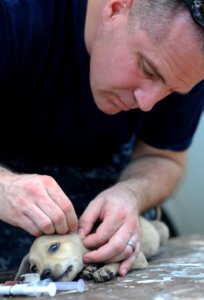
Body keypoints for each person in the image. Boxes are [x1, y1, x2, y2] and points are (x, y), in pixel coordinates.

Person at [0, 0, 204, 275]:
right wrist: (6, 187)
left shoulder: (186, 63)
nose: (148, 104)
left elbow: (164, 157)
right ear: (116, 7)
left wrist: (132, 193)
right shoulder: (15, 16)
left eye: (173, 92)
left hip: (107, 203)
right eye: (147, 69)